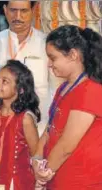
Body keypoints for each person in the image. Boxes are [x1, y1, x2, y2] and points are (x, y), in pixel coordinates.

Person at [32, 25, 102, 189]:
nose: (49, 64)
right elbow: (50, 130)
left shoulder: (90, 90)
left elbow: (66, 146)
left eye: (53, 58)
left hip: (82, 181)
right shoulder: (63, 88)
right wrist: (36, 159)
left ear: (73, 55)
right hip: (57, 177)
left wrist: (44, 172)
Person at [0, 0, 60, 137]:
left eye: (24, 11)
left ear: (33, 10)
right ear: (5, 9)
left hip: (38, 128)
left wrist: (52, 130)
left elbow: (56, 89)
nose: (18, 16)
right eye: (13, 10)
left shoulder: (46, 43)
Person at [0, 60, 40, 190]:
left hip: (19, 182)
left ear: (21, 89)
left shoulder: (25, 118)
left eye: (5, 81)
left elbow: (36, 154)